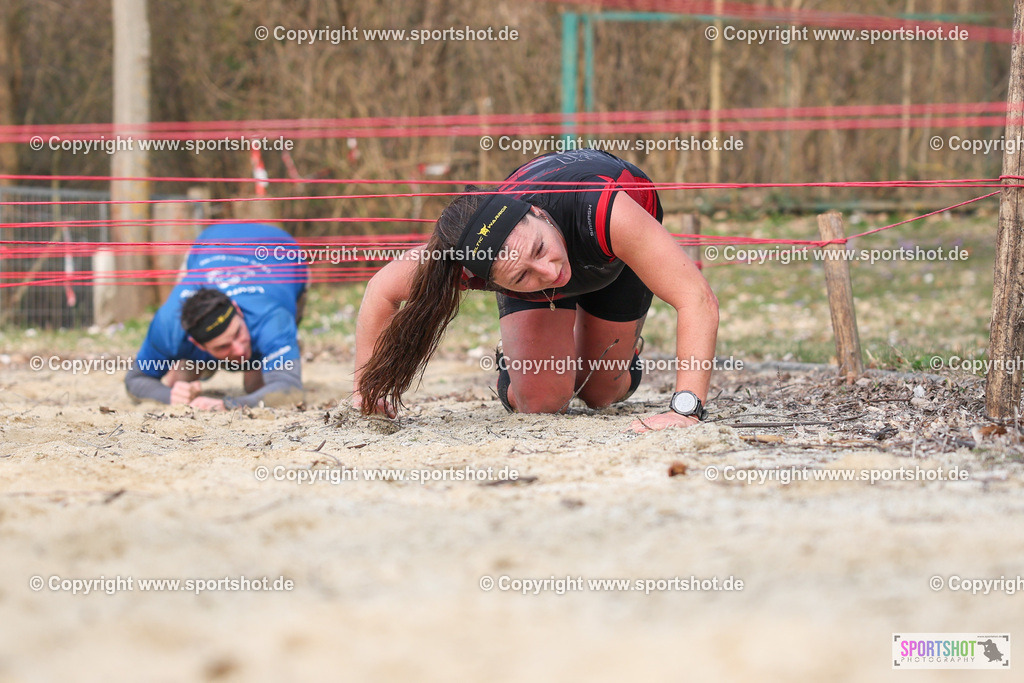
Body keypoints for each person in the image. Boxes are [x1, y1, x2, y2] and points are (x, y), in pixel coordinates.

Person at [354, 149, 719, 432]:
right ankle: (514, 362)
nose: (550, 272)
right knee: (541, 401)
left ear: (538, 214)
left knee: (601, 393)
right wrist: (364, 390)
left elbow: (695, 298)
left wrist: (685, 409)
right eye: (520, 277)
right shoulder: (461, 258)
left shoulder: (608, 211)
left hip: (612, 254)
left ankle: (620, 356)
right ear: (489, 282)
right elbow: (380, 290)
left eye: (539, 250)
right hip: (552, 252)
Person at [124, 222, 308, 410]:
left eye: (237, 333)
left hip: (281, 250)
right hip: (208, 244)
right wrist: (169, 396)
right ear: (197, 343)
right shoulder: (168, 324)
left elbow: (290, 390)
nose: (238, 349)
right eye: (223, 346)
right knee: (179, 383)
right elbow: (135, 379)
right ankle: (200, 361)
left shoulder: (272, 318)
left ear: (236, 308)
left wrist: (229, 405)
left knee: (256, 386)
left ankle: (279, 348)